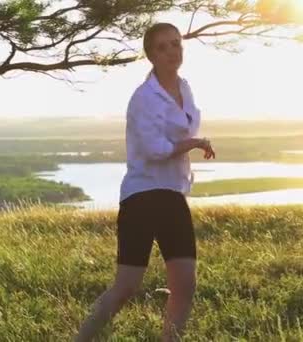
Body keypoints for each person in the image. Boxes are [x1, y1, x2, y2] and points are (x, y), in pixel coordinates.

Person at [75, 23, 216, 342]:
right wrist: (195, 143)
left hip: (172, 194)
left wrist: (194, 142)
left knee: (185, 282)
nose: (172, 51)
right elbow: (156, 151)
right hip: (142, 197)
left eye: (177, 44)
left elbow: (181, 134)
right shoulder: (143, 98)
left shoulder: (185, 87)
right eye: (163, 46)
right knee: (127, 286)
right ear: (150, 54)